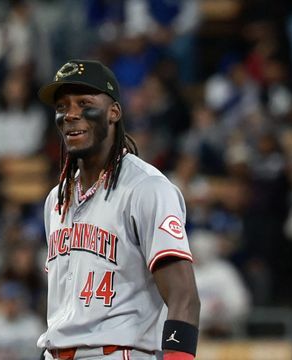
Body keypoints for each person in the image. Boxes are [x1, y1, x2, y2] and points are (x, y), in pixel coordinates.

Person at [36, 60, 200, 360]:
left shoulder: (147, 188)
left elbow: (183, 295)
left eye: (84, 103)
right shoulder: (55, 200)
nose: (70, 114)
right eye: (62, 106)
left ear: (114, 112)